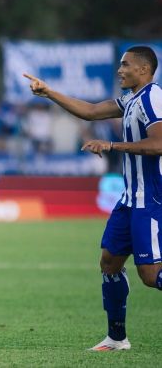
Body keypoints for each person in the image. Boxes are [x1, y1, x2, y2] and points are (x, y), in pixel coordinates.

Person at [23, 45, 162, 351]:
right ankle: (116, 338)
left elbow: (158, 145)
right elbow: (90, 111)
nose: (119, 70)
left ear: (143, 69)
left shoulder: (153, 98)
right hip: (129, 199)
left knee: (151, 276)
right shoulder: (131, 99)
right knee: (109, 261)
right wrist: (49, 93)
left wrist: (113, 146)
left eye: (125, 65)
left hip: (150, 199)